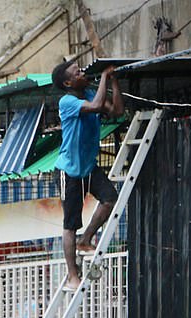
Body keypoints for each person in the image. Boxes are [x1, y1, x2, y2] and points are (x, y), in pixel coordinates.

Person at [52, 60, 124, 291]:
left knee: (110, 199)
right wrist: (104, 76)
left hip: (88, 167)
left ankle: (86, 239)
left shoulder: (93, 93)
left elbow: (117, 111)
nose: (83, 73)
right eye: (77, 72)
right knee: (70, 223)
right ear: (68, 82)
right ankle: (73, 275)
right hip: (69, 170)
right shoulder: (68, 101)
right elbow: (94, 107)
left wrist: (113, 80)